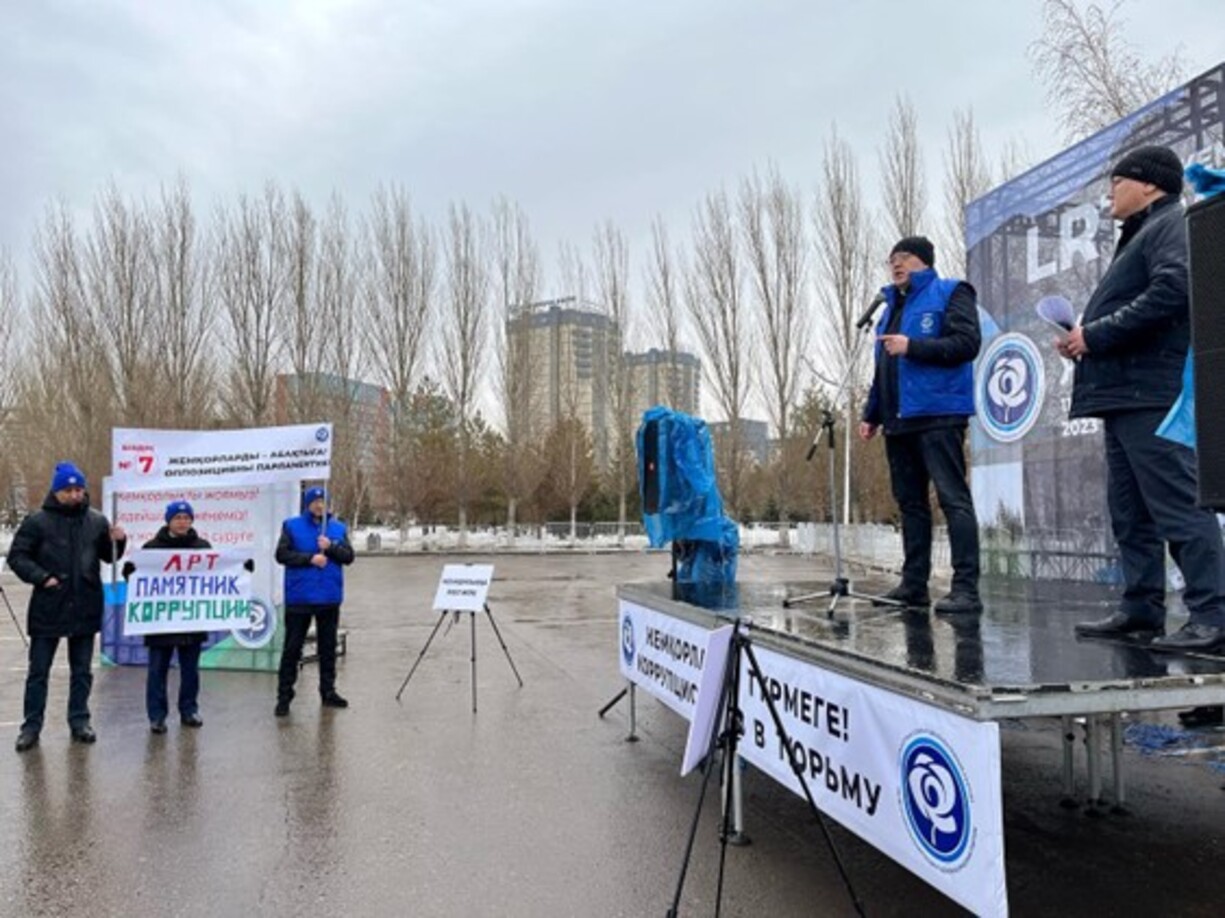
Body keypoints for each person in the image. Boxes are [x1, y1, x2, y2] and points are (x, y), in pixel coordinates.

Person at [1061, 145, 1225, 654]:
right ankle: (1141, 609)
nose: (1109, 191)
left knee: (1178, 506)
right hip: (1121, 394)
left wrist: (1097, 334)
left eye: (1118, 180)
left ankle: (1215, 616)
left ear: (1150, 185)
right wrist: (1082, 339)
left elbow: (1175, 290)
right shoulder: (1140, 234)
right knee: (1130, 513)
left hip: (1151, 393)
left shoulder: (1170, 224)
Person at [860, 235, 983, 614]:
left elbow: (967, 343)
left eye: (905, 257)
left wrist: (913, 346)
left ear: (925, 262)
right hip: (898, 421)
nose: (896, 264)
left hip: (938, 415)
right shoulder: (888, 307)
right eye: (891, 259)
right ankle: (913, 585)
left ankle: (966, 589)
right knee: (910, 504)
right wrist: (871, 413)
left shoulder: (951, 292)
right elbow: (884, 367)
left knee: (952, 499)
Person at [7, 462, 126, 752]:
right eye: (68, 490)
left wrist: (118, 542)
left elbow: (109, 558)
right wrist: (42, 577)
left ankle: (79, 721)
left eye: (78, 489)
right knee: (39, 672)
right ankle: (31, 726)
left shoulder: (97, 521)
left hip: (85, 604)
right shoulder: (37, 522)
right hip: (49, 607)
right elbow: (17, 557)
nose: (74, 495)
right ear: (56, 491)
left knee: (82, 671)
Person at [274, 485, 355, 716]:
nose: (320, 505)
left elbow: (349, 557)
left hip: (329, 597)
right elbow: (282, 555)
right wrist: (310, 558)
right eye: (315, 501)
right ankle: (284, 696)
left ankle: (328, 692)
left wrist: (331, 548)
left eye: (323, 501)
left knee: (328, 647)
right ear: (307, 504)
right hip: (300, 597)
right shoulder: (291, 526)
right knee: (292, 648)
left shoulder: (337, 528)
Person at [137, 500, 211, 734]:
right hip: (161, 622)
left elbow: (217, 574)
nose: (182, 522)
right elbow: (139, 578)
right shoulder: (151, 548)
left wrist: (241, 569)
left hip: (192, 620)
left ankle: (189, 710)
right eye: (178, 517)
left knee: (190, 670)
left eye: (186, 518)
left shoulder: (203, 547)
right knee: (157, 670)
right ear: (168, 520)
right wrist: (131, 572)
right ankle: (157, 716)